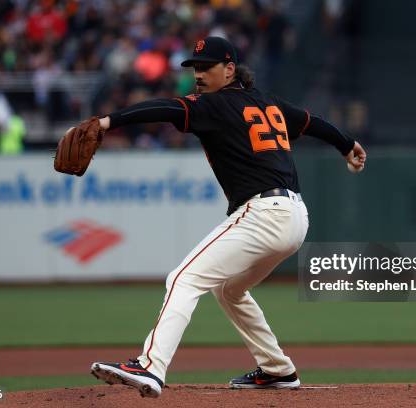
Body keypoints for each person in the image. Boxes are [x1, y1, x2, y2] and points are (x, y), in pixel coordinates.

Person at [90, 36, 366, 398]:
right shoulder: (268, 102)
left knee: (183, 278)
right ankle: (277, 369)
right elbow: (313, 122)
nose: (199, 75)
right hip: (295, 216)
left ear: (230, 69)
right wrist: (347, 144)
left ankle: (150, 366)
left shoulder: (214, 106)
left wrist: (109, 121)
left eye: (207, 67)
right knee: (229, 289)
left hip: (264, 213)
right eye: (195, 68)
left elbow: (165, 109)